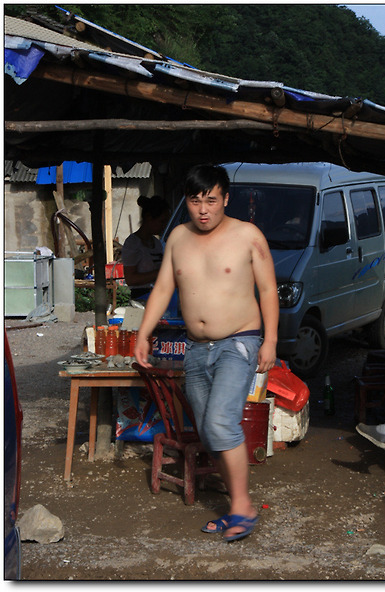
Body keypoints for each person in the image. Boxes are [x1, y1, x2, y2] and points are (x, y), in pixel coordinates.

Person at [135, 164, 279, 542]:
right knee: (210, 433)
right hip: (196, 348)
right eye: (195, 200)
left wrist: (270, 340)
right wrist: (143, 333)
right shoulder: (178, 238)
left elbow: (268, 289)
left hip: (239, 341)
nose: (203, 209)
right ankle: (235, 506)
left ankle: (243, 507)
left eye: (211, 201)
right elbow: (163, 287)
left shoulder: (248, 235)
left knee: (219, 422)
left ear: (226, 199)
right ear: (186, 201)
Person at [121, 195, 171, 301]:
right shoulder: (132, 243)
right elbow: (130, 279)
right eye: (162, 221)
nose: (164, 226)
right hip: (141, 298)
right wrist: (160, 273)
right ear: (149, 217)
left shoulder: (157, 243)